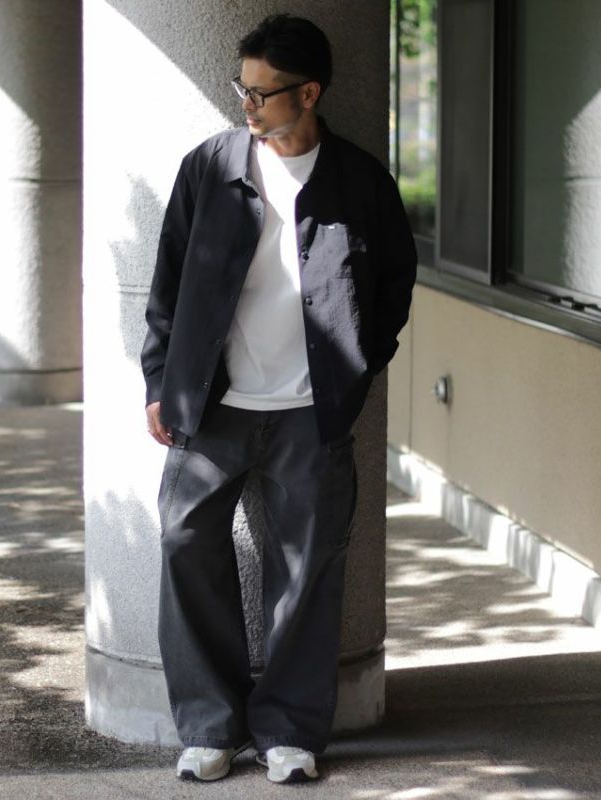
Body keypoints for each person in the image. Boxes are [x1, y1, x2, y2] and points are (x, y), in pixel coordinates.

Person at [141, 13, 416, 784]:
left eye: (263, 94)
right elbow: (167, 284)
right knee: (186, 545)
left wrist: (358, 368)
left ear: (310, 93)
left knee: (308, 571)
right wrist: (160, 381)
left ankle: (290, 730)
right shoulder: (211, 167)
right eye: (243, 89)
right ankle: (210, 725)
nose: (248, 106)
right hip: (213, 408)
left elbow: (394, 284)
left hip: (309, 415)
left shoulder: (359, 182)